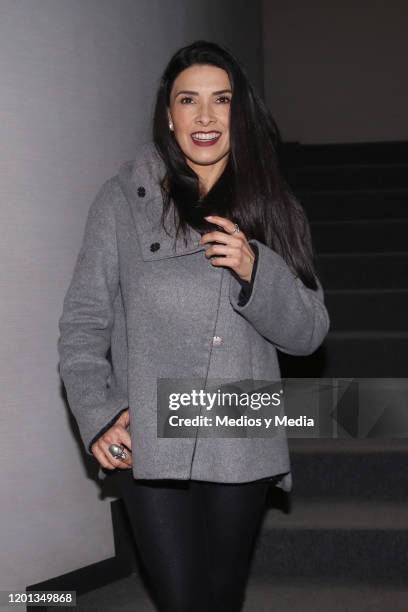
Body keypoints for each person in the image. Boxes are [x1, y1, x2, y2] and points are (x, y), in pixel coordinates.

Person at [57, 40, 330, 612]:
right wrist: (99, 412)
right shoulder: (121, 202)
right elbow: (84, 323)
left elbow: (309, 333)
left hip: (239, 434)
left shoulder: (275, 206)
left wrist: (258, 270)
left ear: (240, 113)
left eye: (221, 100)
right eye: (189, 100)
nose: (205, 117)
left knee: (221, 597)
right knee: (183, 600)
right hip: (152, 435)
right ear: (169, 115)